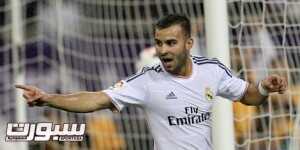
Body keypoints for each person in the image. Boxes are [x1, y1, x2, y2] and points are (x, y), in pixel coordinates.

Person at [15, 14, 288, 150]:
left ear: (189, 44)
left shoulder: (212, 70)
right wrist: (49, 98)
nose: (163, 50)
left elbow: (248, 96)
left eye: (171, 42)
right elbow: (96, 98)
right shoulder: (146, 81)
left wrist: (264, 87)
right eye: (159, 43)